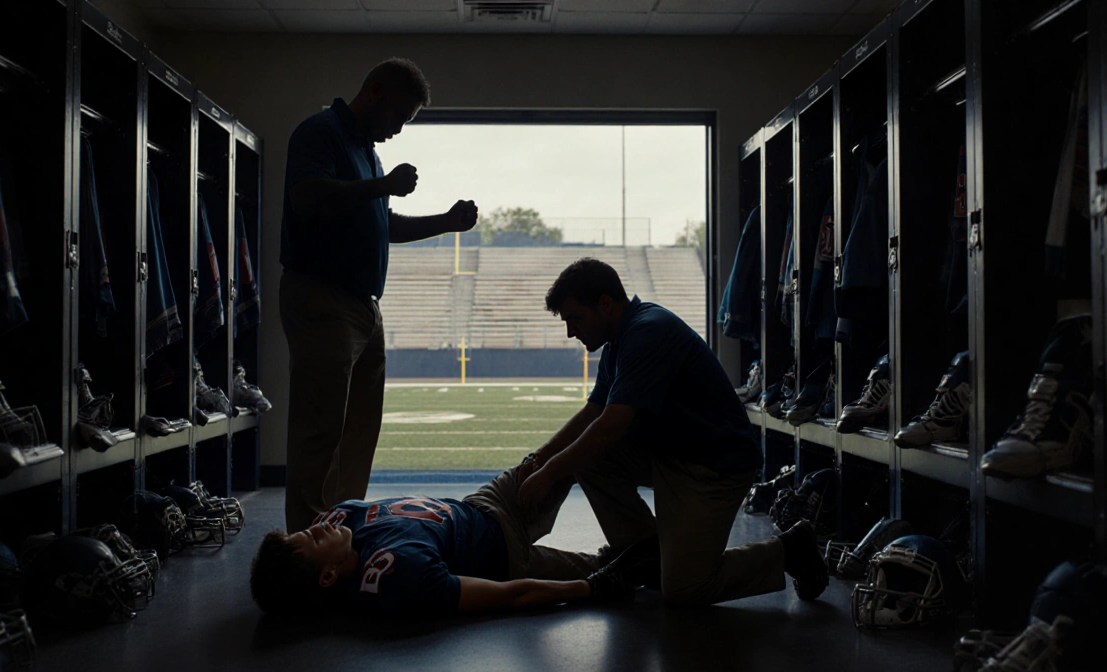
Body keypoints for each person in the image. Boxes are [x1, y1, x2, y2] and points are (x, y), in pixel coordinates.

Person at [515, 258, 829, 605]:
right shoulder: (620, 339)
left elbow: (610, 427)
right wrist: (539, 459)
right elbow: (592, 414)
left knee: (686, 588)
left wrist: (548, 474)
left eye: (575, 318)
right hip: (673, 453)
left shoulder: (647, 332)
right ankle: (646, 554)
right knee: (586, 458)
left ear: (605, 304)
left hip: (712, 468)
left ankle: (789, 550)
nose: (571, 332)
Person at [279, 58, 479, 533]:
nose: (397, 131)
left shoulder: (368, 153)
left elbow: (381, 224)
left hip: (363, 306)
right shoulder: (320, 131)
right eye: (397, 117)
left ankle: (341, 531)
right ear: (373, 92)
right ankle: (308, 547)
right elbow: (306, 196)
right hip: (323, 296)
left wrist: (445, 223)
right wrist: (382, 186)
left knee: (358, 432)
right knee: (320, 431)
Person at [249, 464, 636, 617]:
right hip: (507, 555)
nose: (317, 526)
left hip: (483, 503)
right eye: (311, 540)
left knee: (570, 450)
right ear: (328, 576)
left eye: (304, 530)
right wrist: (590, 588)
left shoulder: (338, 522)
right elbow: (508, 595)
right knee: (622, 567)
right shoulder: (394, 575)